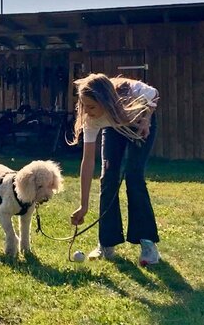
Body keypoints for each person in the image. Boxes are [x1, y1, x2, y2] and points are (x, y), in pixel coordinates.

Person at [69, 73, 161, 265]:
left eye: (91, 106)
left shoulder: (130, 95)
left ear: (104, 101)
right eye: (83, 105)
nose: (87, 111)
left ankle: (148, 243)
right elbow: (87, 162)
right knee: (108, 178)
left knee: (133, 176)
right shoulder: (91, 118)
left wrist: (146, 119)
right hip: (112, 126)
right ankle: (106, 244)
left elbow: (154, 93)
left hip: (136, 119)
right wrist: (83, 205)